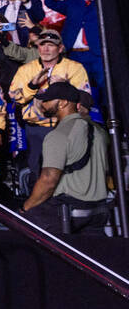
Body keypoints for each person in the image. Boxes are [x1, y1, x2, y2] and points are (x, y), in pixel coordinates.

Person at [20, 83, 111, 235]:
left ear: (63, 103)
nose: (43, 104)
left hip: (69, 210)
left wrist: (25, 209)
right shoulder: (99, 131)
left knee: (21, 227)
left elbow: (48, 181)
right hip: (99, 210)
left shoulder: (58, 135)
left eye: (48, 100)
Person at [9, 29, 92, 183]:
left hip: (66, 127)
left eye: (51, 45)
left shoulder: (74, 67)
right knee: (38, 170)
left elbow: (86, 99)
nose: (46, 49)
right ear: (37, 47)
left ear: (60, 48)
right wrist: (32, 85)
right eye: (42, 45)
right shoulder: (26, 70)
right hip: (37, 128)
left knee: (67, 170)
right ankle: (40, 205)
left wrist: (64, 86)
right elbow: (15, 98)